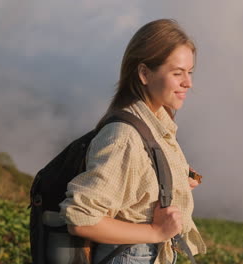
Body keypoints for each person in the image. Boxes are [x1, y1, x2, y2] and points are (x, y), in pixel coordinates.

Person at [59, 18, 207, 264]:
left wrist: (175, 179)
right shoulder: (124, 136)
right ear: (144, 73)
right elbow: (81, 216)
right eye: (177, 73)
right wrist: (155, 232)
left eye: (189, 72)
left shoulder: (154, 122)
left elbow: (136, 184)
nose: (188, 83)